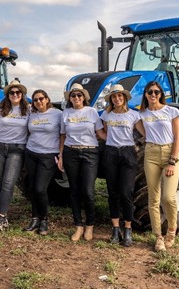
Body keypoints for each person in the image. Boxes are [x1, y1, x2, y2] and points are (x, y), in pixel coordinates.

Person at [57, 83, 106, 242]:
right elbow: (63, 135)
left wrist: (121, 138)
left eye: (79, 95)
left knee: (88, 191)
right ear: (69, 98)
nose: (76, 98)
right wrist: (61, 155)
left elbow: (100, 133)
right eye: (73, 95)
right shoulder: (66, 113)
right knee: (74, 190)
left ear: (84, 97)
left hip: (90, 152)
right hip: (71, 152)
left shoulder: (92, 112)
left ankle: (90, 225)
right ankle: (78, 225)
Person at [139, 81, 179, 252]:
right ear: (146, 94)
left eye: (156, 92)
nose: (153, 94)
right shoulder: (142, 113)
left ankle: (171, 230)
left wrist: (172, 160)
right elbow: (135, 125)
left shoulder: (171, 111)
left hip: (169, 153)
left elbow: (178, 138)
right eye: (150, 92)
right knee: (153, 198)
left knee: (168, 197)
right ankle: (158, 237)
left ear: (161, 94)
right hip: (151, 154)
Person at [100, 84, 144, 247]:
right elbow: (103, 132)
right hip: (111, 153)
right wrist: (111, 142)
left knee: (126, 192)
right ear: (111, 99)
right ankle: (115, 229)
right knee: (112, 192)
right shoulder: (107, 115)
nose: (117, 99)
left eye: (120, 96)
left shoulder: (134, 115)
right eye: (114, 96)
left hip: (128, 153)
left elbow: (143, 132)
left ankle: (127, 229)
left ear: (124, 97)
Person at [0, 80, 30, 231]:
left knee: (8, 182)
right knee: (1, 182)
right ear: (8, 95)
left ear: (22, 95)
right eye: (12, 92)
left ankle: (2, 216)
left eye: (18, 92)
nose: (15, 95)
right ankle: (2, 215)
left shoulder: (28, 109)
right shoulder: (0, 109)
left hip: (17, 149)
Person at [23, 89, 62, 235]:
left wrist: (61, 153)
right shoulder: (31, 114)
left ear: (47, 99)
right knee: (33, 188)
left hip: (48, 155)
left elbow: (63, 134)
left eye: (41, 98)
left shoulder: (57, 114)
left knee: (40, 188)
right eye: (35, 100)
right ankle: (35, 218)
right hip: (31, 153)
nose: (38, 102)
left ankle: (44, 219)